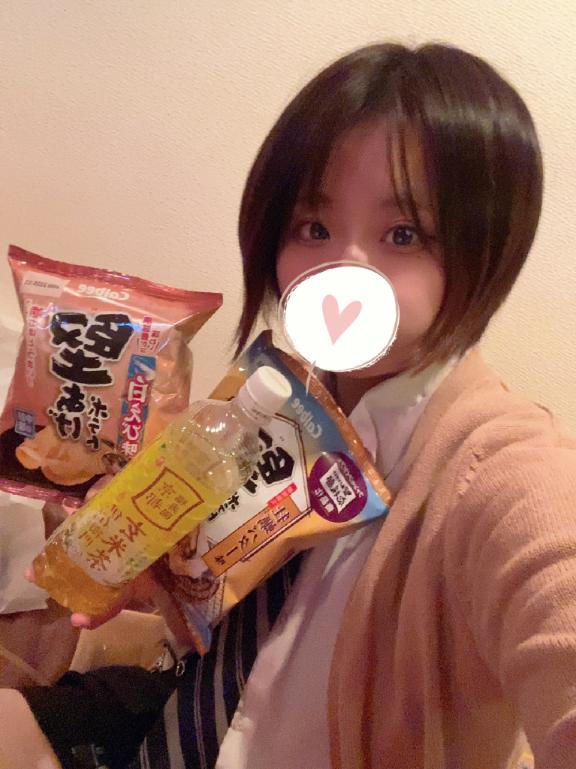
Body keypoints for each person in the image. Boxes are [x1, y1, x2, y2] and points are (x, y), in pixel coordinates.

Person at [1, 40, 575, 769]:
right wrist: (153, 566)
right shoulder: (281, 394)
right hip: (173, 708)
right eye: (315, 228)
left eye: (403, 234)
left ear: (485, 253)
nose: (342, 271)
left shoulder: (499, 469)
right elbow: (227, 605)